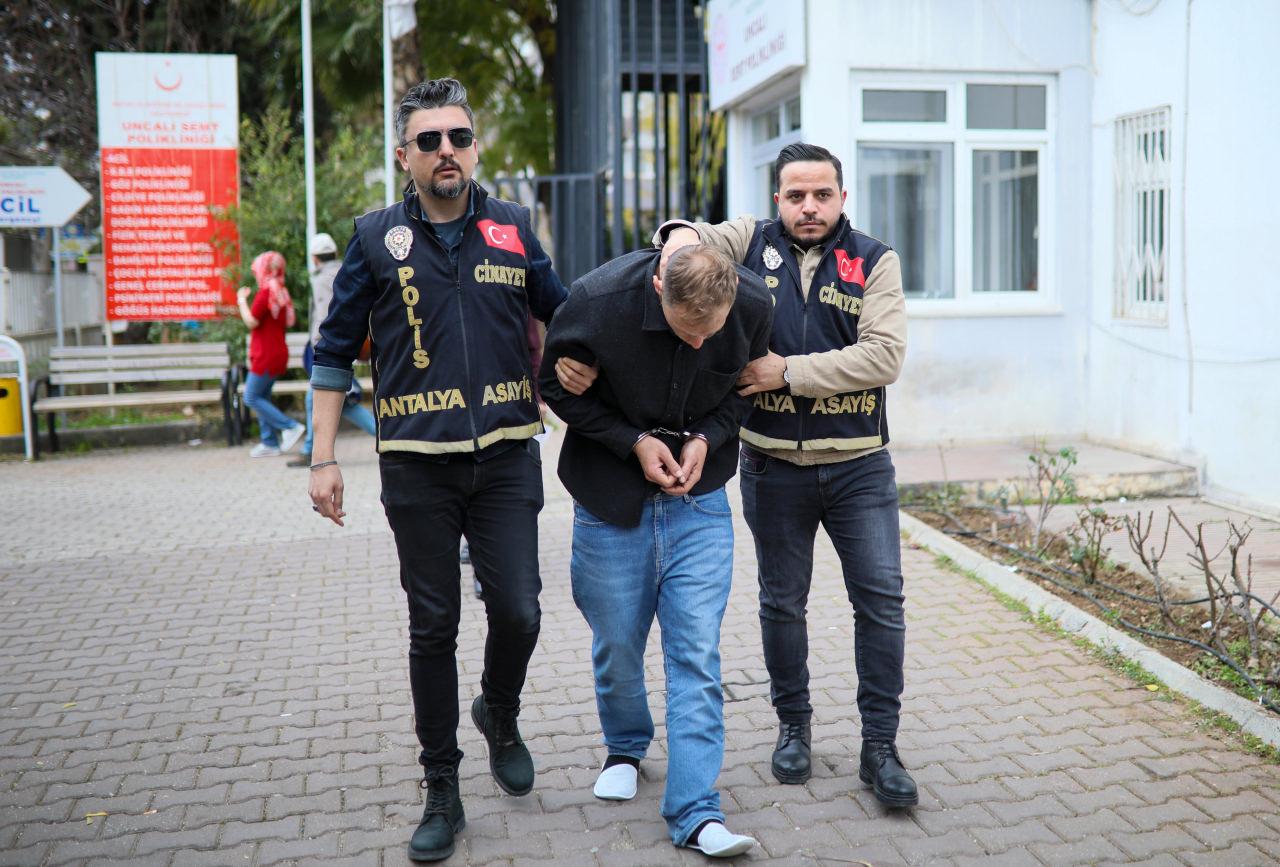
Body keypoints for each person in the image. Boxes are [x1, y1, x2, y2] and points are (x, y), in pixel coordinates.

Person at [558, 142, 915, 807]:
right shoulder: (749, 241)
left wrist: (789, 372)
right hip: (772, 462)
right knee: (782, 603)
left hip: (859, 463)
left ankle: (881, 745)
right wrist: (677, 236)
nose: (809, 206)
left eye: (823, 194)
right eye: (796, 195)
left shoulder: (873, 260)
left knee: (881, 601)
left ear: (843, 198)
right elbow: (686, 240)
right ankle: (794, 729)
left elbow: (884, 356)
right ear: (777, 199)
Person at [307, 78, 568, 862]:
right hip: (418, 464)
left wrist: (580, 367)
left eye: (458, 137)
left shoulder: (513, 226)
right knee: (433, 625)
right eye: (429, 140)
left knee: (520, 610)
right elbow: (332, 351)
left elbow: (564, 311)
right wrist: (323, 458)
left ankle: (500, 709)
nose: (445, 151)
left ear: (476, 147)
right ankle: (442, 785)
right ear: (405, 155)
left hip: (508, 454)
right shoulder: (374, 237)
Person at [539, 244, 772, 857]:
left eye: (710, 334)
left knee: (696, 654)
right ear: (659, 286)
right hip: (609, 501)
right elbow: (554, 386)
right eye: (686, 330)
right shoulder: (596, 300)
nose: (699, 345)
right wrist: (633, 441)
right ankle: (624, 747)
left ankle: (696, 812)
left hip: (700, 504)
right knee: (617, 644)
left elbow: (745, 389)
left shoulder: (753, 303)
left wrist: (708, 437)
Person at [287, 231, 377, 468]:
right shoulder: (345, 271)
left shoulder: (321, 280)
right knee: (345, 403)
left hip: (328, 349)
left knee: (317, 396)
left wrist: (320, 345)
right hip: (349, 344)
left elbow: (324, 316)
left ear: (314, 258)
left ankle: (311, 450)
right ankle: (384, 435)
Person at [236, 250, 305, 458]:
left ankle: (290, 426)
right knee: (262, 396)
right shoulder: (281, 291)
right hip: (277, 352)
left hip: (266, 354)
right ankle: (270, 442)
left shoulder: (266, 292)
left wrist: (241, 300)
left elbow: (251, 321)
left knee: (251, 396)